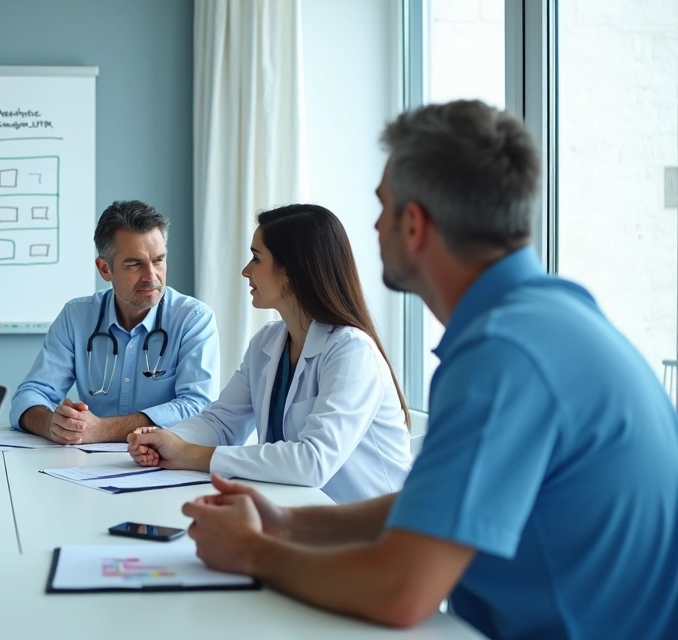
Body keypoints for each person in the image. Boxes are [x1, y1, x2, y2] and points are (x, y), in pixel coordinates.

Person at [181, 101, 678, 639]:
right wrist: (291, 522)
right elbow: (442, 504)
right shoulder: (550, 319)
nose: (372, 225)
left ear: (413, 224)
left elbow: (401, 590)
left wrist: (254, 552)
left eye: (382, 206)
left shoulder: (501, 356)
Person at [127, 204, 411, 503]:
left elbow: (313, 462)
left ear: (289, 272)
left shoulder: (352, 351)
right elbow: (221, 422)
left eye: (256, 258)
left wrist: (191, 455)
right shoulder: (268, 341)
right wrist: (164, 440)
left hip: (374, 532)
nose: (246, 270)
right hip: (300, 517)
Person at [9, 200, 221, 445]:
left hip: (165, 465)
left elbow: (198, 406)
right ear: (104, 269)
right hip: (85, 464)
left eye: (158, 260)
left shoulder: (193, 319)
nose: (151, 277)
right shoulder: (76, 317)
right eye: (134, 264)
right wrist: (52, 425)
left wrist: (101, 429)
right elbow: (29, 395)